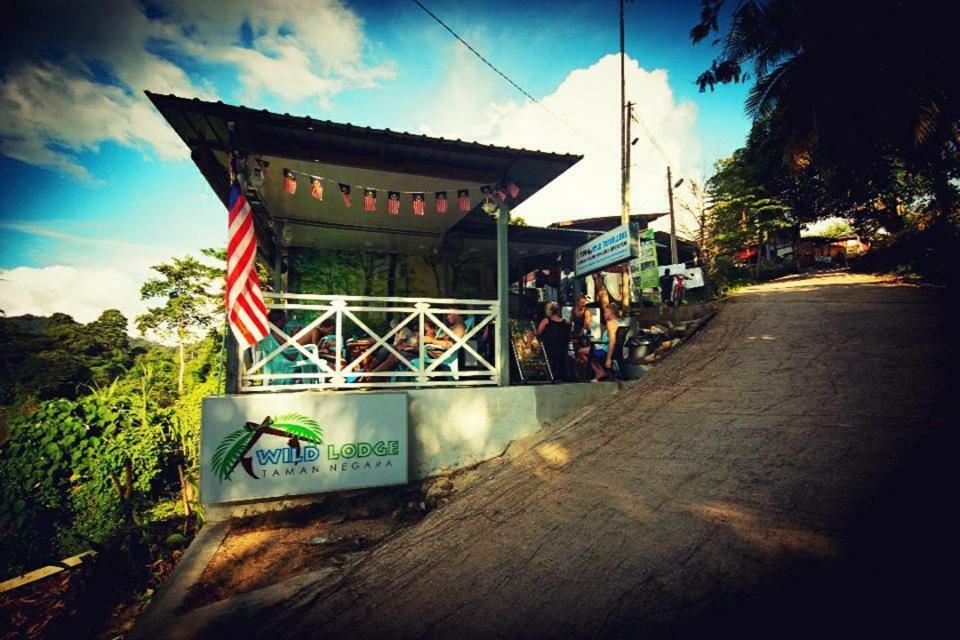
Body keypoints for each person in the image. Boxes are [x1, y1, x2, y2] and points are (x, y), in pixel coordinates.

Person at [590, 303, 625, 382]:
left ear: (611, 312)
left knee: (581, 351)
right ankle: (601, 371)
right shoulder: (619, 322)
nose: (603, 314)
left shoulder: (611, 324)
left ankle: (599, 372)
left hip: (605, 350)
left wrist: (608, 359)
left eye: (605, 312)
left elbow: (612, 341)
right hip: (616, 350)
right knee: (588, 349)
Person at [537, 301, 570, 382]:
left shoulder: (546, 321)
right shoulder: (565, 322)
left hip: (549, 349)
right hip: (562, 350)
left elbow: (538, 332)